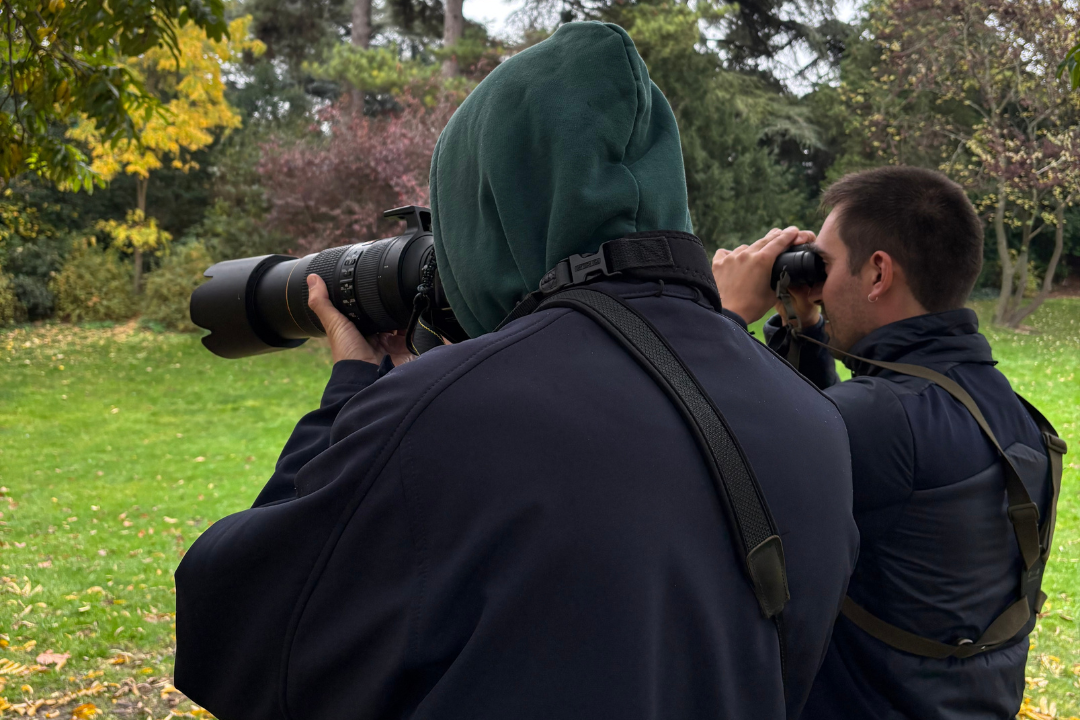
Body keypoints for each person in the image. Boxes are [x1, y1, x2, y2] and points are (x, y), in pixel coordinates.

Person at [173, 22, 858, 720]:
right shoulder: (817, 420)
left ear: (492, 208)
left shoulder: (442, 415)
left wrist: (351, 396)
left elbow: (238, 633)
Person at [712, 166, 1060, 720]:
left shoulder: (883, 420)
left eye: (822, 267)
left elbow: (711, 465)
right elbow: (839, 459)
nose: (816, 285)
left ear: (878, 274)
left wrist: (723, 320)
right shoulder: (1014, 414)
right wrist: (801, 329)